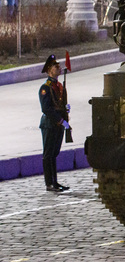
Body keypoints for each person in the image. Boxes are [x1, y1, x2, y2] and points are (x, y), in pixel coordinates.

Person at [39, 55, 70, 192]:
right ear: (49, 70)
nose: (59, 68)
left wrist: (65, 109)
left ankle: (55, 182)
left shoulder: (60, 86)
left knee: (54, 154)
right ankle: (49, 184)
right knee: (48, 154)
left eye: (58, 66)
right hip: (50, 124)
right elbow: (46, 108)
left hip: (59, 125)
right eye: (55, 66)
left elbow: (59, 104)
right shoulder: (45, 88)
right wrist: (61, 120)